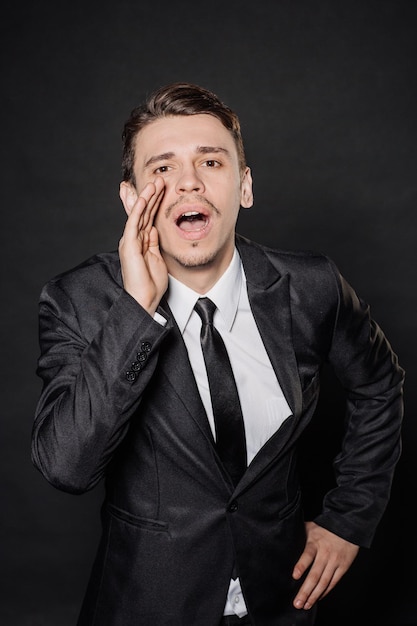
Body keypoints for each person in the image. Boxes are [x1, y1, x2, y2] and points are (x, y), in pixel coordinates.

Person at [32, 82, 404, 626]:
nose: (188, 182)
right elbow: (66, 465)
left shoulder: (312, 287)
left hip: (282, 601)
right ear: (132, 199)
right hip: (146, 606)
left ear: (244, 186)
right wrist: (138, 310)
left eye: (211, 161)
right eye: (162, 168)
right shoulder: (78, 301)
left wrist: (351, 517)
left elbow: (379, 385)